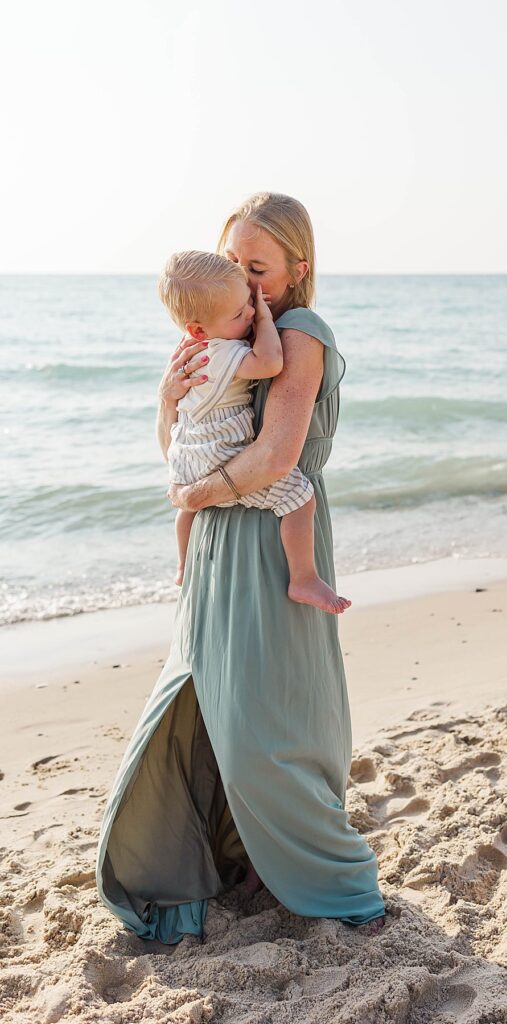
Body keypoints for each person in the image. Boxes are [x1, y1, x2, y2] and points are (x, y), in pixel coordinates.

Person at [95, 191, 386, 943]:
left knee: (269, 716)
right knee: (204, 701)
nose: (245, 280)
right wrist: (166, 401)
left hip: (269, 539)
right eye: (233, 261)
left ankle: (328, 875)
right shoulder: (221, 336)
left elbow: (277, 457)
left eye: (258, 266)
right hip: (218, 537)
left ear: (299, 267)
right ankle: (229, 856)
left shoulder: (300, 334)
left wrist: (197, 494)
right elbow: (180, 448)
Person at [159, 249, 351, 615]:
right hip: (222, 452)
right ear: (198, 329)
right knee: (300, 498)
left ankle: (183, 565)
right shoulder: (224, 351)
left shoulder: (194, 350)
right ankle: (303, 578)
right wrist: (262, 318)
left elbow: (171, 440)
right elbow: (271, 363)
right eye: (239, 312)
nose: (249, 308)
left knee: (186, 509)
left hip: (188, 456)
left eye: (256, 268)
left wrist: (166, 399)